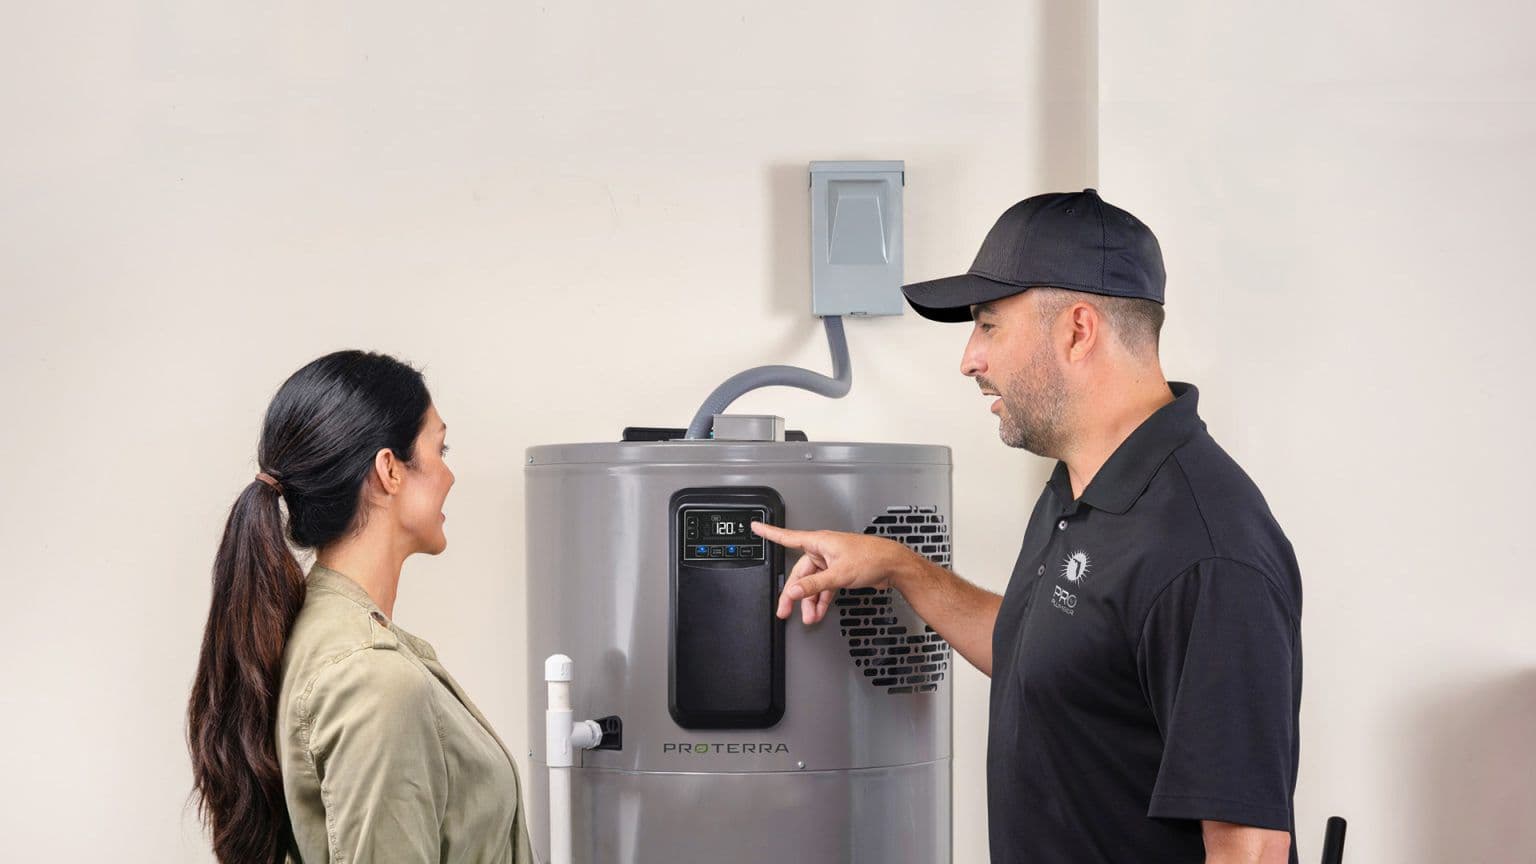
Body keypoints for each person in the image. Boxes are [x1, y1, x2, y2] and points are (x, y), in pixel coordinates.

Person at [751, 190, 1302, 864]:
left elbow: (1250, 850)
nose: (969, 359)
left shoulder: (1205, 554)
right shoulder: (1082, 482)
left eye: (988, 325)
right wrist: (898, 566)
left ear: (1076, 329)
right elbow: (1050, 653)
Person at [187, 350, 532, 863]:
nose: (450, 476)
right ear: (390, 470)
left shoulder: (325, 636)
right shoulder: (372, 677)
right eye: (440, 449)